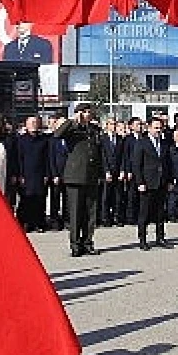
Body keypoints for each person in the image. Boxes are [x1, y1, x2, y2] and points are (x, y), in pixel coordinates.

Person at [54, 103, 103, 257]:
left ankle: (88, 242)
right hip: (75, 176)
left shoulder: (94, 130)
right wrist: (72, 121)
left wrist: (100, 173)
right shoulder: (72, 129)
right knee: (75, 213)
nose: (88, 114)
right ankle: (75, 245)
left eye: (89, 112)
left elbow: (99, 152)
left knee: (91, 213)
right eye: (84, 112)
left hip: (91, 176)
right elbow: (57, 135)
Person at [131, 117, 172, 250]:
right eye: (155, 128)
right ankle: (143, 239)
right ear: (149, 128)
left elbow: (168, 163)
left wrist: (170, 180)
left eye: (160, 128)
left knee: (160, 212)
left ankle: (160, 237)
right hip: (147, 183)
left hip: (161, 182)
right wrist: (140, 182)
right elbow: (136, 164)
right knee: (145, 213)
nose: (158, 130)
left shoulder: (165, 143)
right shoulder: (142, 143)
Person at [15, 115, 51, 232]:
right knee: (26, 200)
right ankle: (25, 223)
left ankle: (38, 223)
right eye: (32, 122)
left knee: (39, 200)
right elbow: (18, 159)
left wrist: (46, 174)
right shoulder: (21, 140)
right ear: (26, 125)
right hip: (26, 175)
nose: (34, 124)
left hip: (40, 174)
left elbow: (47, 158)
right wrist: (20, 175)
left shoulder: (43, 140)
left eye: (36, 122)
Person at [99, 118, 125, 227]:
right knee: (105, 197)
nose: (113, 126)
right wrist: (106, 171)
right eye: (111, 124)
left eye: (115, 124)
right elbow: (102, 156)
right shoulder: (102, 139)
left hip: (118, 171)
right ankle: (105, 218)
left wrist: (123, 170)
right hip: (107, 172)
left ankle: (117, 217)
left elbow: (123, 156)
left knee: (117, 196)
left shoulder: (120, 139)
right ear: (107, 126)